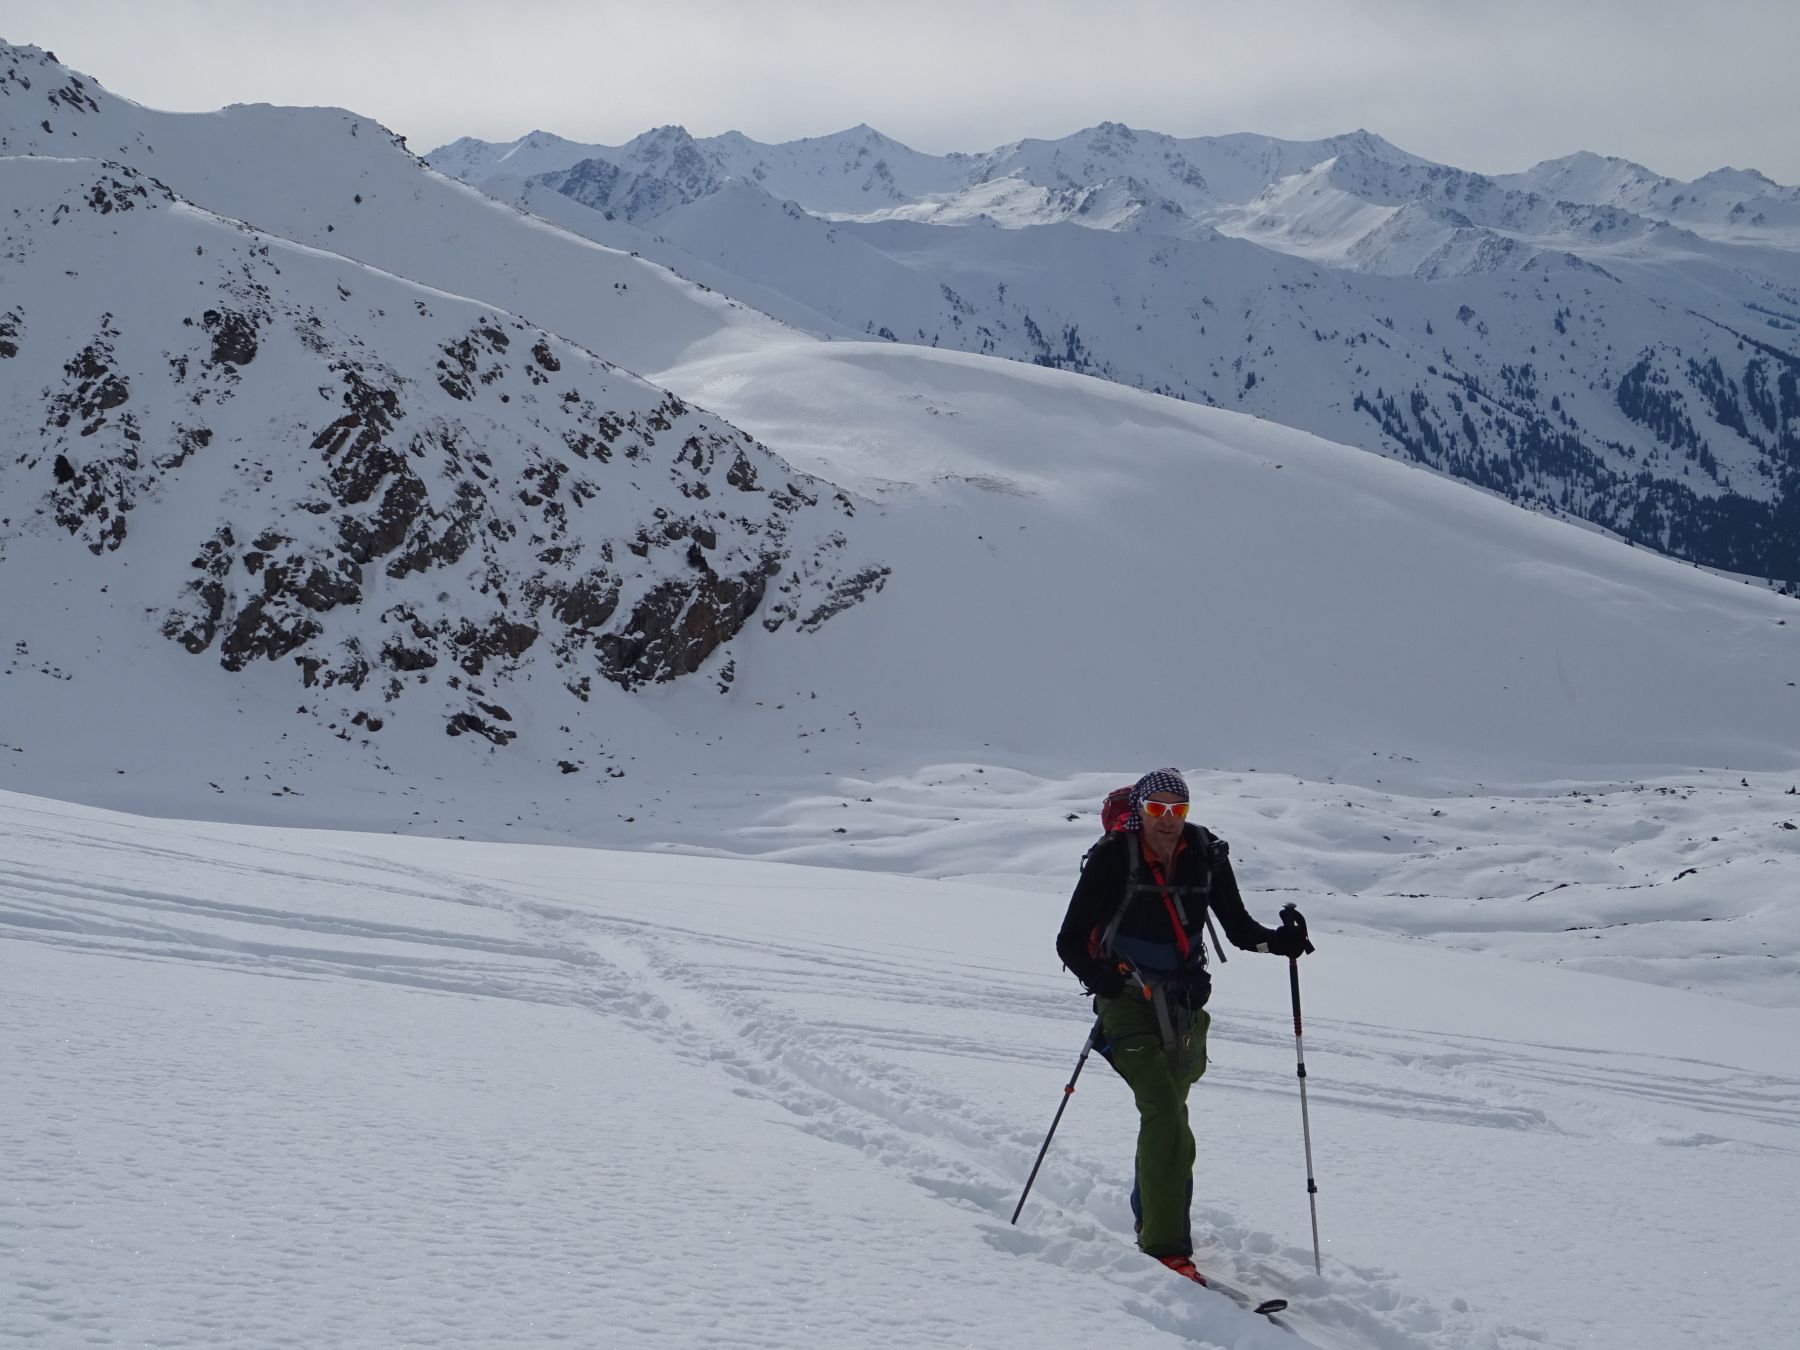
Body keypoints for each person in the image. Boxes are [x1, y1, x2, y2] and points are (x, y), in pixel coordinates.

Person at [1055, 767, 1313, 1283]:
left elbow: (1239, 930)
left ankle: (1152, 1215)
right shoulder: (1113, 858)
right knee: (1165, 1114)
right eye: (1157, 810)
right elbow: (1068, 940)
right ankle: (1167, 1248)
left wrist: (1279, 941)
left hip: (1184, 1005)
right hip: (1126, 1002)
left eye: (1178, 810)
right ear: (1140, 811)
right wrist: (1102, 980)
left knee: (1168, 1117)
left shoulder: (1206, 856)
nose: (1168, 820)